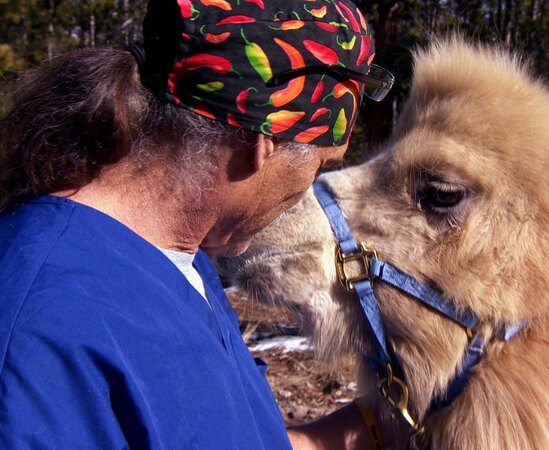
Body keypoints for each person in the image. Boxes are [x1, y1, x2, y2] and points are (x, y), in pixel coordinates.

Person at [0, 0, 398, 448]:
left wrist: (378, 424)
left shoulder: (179, 259)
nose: (306, 191)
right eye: (321, 164)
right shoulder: (40, 335)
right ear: (264, 143)